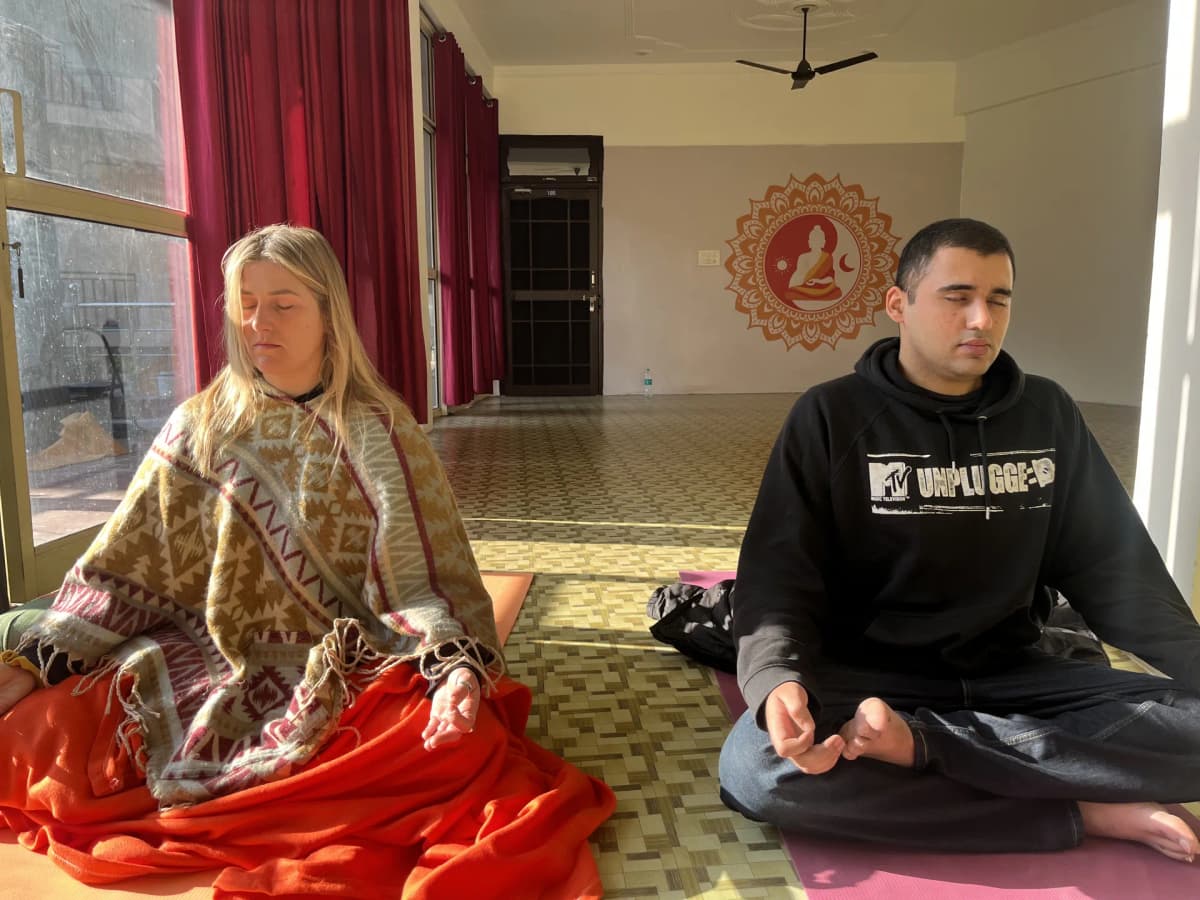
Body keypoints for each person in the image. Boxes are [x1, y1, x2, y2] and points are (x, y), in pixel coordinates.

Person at [0, 224, 614, 897]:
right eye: (246, 304)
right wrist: (40, 659)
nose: (259, 322)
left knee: (458, 746)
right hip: (200, 653)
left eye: (283, 304)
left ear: (329, 313)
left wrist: (452, 670)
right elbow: (125, 562)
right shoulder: (199, 425)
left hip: (344, 663)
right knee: (44, 733)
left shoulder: (381, 431)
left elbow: (423, 580)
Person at [719, 217, 1200, 863]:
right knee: (758, 774)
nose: (981, 319)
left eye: (998, 300)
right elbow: (779, 575)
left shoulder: (1047, 413)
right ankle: (1080, 808)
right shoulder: (831, 415)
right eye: (958, 297)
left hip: (1016, 674)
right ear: (899, 304)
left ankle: (928, 748)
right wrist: (777, 678)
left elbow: (1117, 574)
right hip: (870, 682)